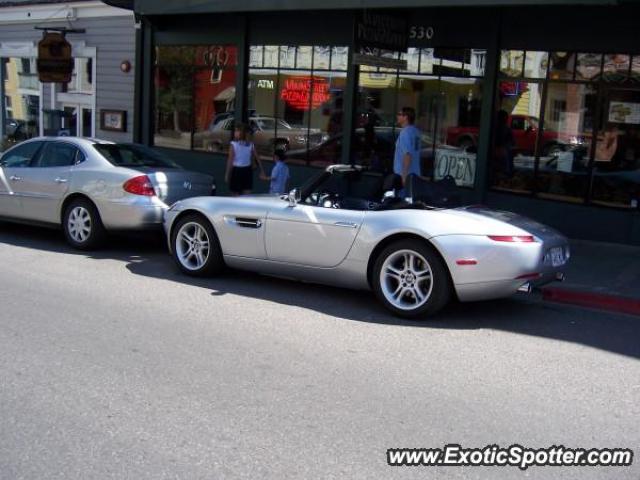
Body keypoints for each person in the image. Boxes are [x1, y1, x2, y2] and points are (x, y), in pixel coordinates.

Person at [225, 123, 264, 195]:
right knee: (246, 194)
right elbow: (257, 158)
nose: (235, 132)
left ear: (241, 133)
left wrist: (227, 174)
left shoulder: (233, 144)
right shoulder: (251, 144)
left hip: (237, 171)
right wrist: (262, 170)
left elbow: (230, 160)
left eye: (237, 131)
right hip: (247, 171)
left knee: (235, 195)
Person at [393, 106, 421, 192]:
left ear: (405, 117)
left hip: (404, 176)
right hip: (415, 174)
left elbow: (407, 155)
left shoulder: (405, 133)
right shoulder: (416, 132)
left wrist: (404, 177)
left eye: (399, 114)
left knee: (401, 202)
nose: (397, 116)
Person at [494, 109, 515, 178]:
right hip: (501, 150)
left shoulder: (504, 128)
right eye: (505, 118)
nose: (506, 120)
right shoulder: (501, 128)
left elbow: (512, 141)